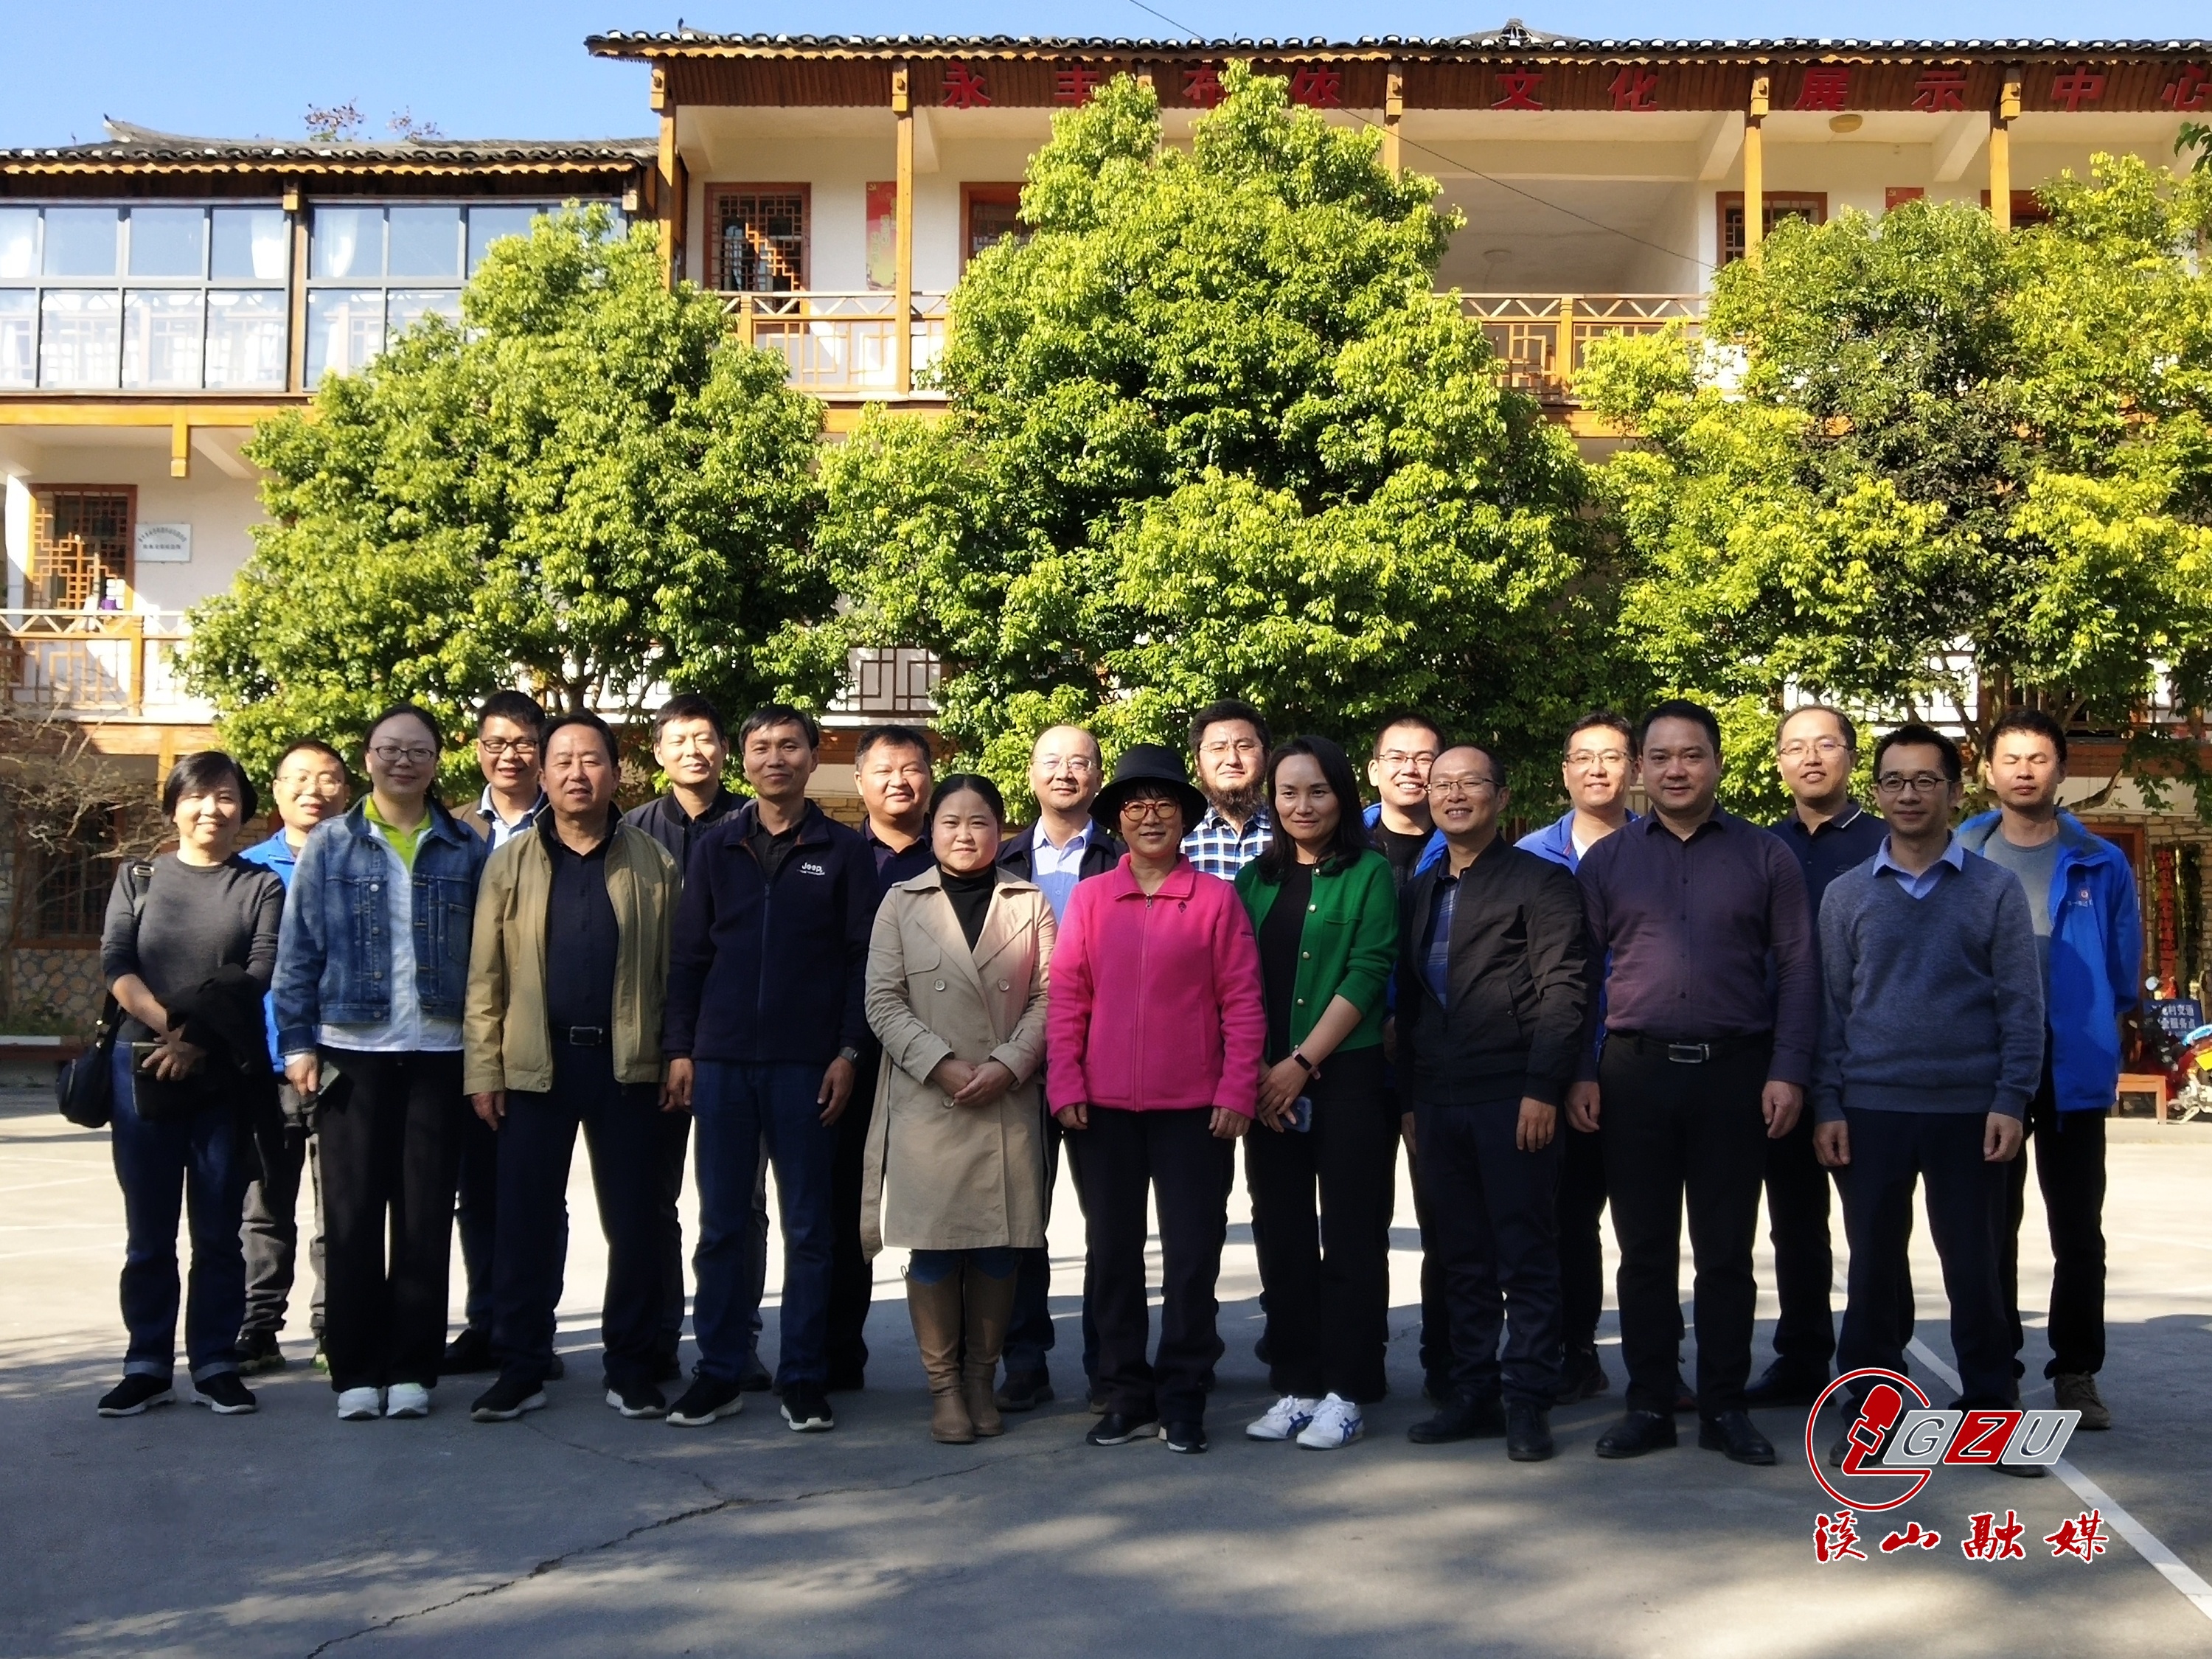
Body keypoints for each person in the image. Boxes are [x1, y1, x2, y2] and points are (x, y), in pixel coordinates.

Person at [1571, 700, 1815, 1467]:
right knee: (1643, 1250)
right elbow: (1580, 977)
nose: (1676, 770)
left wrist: (1788, 1069)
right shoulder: (1607, 861)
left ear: (1717, 763)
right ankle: (1648, 1401)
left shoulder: (1766, 856)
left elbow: (1799, 970)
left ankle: (1724, 1407)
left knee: (1726, 1253)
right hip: (1633, 1073)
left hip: (1735, 1074)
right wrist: (1581, 1071)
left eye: (1692, 755)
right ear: (1640, 769)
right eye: (1661, 757)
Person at [1813, 724, 2042, 1463]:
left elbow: (2021, 1005)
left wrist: (2011, 1099)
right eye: (1894, 781)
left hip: (1969, 1112)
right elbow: (1830, 1011)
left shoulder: (1994, 890)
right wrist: (1829, 1104)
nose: (1908, 794)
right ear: (1877, 791)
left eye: (1924, 781)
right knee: (1873, 1270)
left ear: (1954, 791)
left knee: (1975, 1269)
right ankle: (1872, 1410)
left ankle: (1993, 1412)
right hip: (1872, 1109)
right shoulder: (1847, 895)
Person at [462, 713, 684, 1423]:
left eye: (591, 760)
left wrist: (677, 1053)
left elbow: (678, 971)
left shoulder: (654, 862)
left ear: (616, 773)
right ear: (543, 774)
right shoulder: (511, 862)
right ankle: (522, 1366)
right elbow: (485, 978)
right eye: (562, 761)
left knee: (636, 1223)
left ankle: (632, 1366)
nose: (576, 773)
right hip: (536, 1066)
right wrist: (483, 1069)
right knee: (524, 1223)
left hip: (628, 1067)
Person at [660, 706, 875, 1433]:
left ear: (814, 757)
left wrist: (848, 1052)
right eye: (761, 748)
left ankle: (804, 1376)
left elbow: (862, 962)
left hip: (807, 1066)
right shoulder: (716, 847)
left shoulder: (844, 852)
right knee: (723, 1225)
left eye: (789, 746)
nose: (774, 758)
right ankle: (719, 1371)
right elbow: (689, 957)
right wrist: (681, 1049)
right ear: (742, 760)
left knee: (810, 1228)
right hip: (721, 1063)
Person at [275, 704, 491, 1421]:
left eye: (418, 750)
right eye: (389, 749)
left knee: (425, 1217)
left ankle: (412, 1370)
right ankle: (356, 1371)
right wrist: (298, 1042)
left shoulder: (465, 846)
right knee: (352, 1216)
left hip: (440, 1053)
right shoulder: (331, 844)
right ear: (367, 759)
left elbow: (487, 957)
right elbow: (298, 950)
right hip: (351, 1050)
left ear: (436, 762)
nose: (403, 761)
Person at [1050, 744, 1265, 1455]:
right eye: (1135, 805)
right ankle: (1125, 1395)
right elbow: (1068, 1000)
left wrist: (1236, 1087)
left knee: (1193, 1256)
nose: (1149, 816)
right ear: (1118, 818)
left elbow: (1243, 1003)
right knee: (1112, 1256)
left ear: (1183, 817)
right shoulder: (1091, 899)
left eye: (1164, 804)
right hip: (1103, 1111)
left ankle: (1183, 1394)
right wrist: (1065, 1082)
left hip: (1194, 1112)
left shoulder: (1215, 900)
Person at [1399, 745, 1590, 1461]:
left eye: (1470, 783)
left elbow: (1564, 990)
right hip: (1438, 1100)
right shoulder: (1421, 888)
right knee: (1460, 1257)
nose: (1454, 795)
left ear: (1502, 797)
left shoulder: (1541, 882)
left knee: (1526, 1255)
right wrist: (1411, 1098)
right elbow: (1412, 1003)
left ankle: (1528, 1400)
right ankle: (1473, 1392)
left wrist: (1543, 1088)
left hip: (1513, 1096)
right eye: (1441, 784)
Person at [1958, 707, 2142, 1431]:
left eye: (2039, 759)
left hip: (2071, 1067)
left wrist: (2092, 1027)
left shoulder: (2100, 860)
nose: (2025, 771)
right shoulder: (1962, 853)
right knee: (1988, 1226)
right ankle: (1994, 1370)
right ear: (1988, 770)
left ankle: (2076, 1370)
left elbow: (2122, 971)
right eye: (2011, 759)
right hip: (1987, 1064)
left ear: (2062, 770)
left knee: (2078, 1230)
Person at [863, 774, 1057, 1442]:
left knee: (1001, 1250)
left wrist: (1009, 1063)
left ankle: (981, 1378)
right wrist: (940, 1062)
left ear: (1001, 830)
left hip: (1006, 1098)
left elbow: (1051, 996)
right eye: (950, 822)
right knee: (936, 1251)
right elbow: (882, 999)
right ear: (931, 830)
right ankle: (944, 1387)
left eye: (980, 822)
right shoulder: (900, 902)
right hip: (929, 1100)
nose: (965, 834)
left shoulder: (1028, 901)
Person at [94, 751, 285, 1419]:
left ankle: (215, 1362)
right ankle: (146, 1364)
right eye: (198, 796)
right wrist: (170, 1030)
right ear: (174, 805)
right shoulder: (138, 876)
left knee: (218, 1230)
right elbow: (117, 961)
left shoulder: (261, 885)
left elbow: (258, 970)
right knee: (148, 1231)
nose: (211, 809)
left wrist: (198, 1040)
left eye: (226, 796)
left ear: (243, 808)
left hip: (222, 1071)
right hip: (140, 1065)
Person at [1235, 737, 1400, 1450]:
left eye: (1318, 791)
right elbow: (1235, 980)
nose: (1302, 806)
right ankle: (1297, 1384)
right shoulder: (1254, 878)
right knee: (1283, 1236)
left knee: (1353, 1235)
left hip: (1345, 1081)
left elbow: (1368, 971)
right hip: (1266, 1085)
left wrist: (1300, 1062)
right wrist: (1259, 1070)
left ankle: (1348, 1389)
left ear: (1342, 796)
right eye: (1289, 792)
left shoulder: (1371, 873)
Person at [622, 693, 771, 1392]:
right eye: (678, 740)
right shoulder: (632, 832)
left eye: (705, 738)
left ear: (724, 750)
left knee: (739, 1203)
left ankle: (738, 1339)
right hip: (653, 1042)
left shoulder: (754, 825)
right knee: (651, 1200)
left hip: (735, 1044)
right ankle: (657, 1338)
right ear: (658, 752)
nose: (693, 751)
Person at [1753, 705, 1891, 1408]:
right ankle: (1801, 1357)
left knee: (1873, 1227)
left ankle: (1873, 1374)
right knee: (1794, 1224)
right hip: (1779, 1062)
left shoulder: (1886, 842)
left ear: (1851, 757)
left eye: (1826, 745)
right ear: (1779, 762)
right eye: (1795, 747)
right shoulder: (1759, 847)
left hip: (1864, 1065)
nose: (1811, 758)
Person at [1517, 711, 1653, 1409]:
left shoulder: (1657, 850)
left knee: (1645, 1226)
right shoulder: (1530, 855)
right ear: (1564, 771)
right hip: (1551, 1067)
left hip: (1637, 1063)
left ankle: (1657, 1367)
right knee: (1565, 1221)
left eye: (1612, 757)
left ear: (1634, 770)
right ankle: (1573, 1352)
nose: (1597, 769)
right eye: (1583, 757)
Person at [995, 725, 1122, 1412]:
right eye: (1052, 761)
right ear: (1031, 774)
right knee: (1021, 1221)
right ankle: (1025, 1361)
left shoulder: (1123, 856)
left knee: (1109, 1221)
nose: (1066, 772)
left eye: (1080, 762)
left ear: (1098, 776)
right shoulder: (1002, 857)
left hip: (1104, 1062)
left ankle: (1110, 1363)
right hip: (1020, 1061)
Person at [828, 724, 939, 1392]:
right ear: (859, 781)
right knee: (845, 1209)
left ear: (930, 776)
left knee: (943, 1210)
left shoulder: (954, 851)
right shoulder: (841, 856)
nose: (900, 781)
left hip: (938, 1059)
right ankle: (838, 1352)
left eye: (912, 768)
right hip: (852, 1058)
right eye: (884, 770)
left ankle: (957, 1363)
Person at [235, 739, 350, 1376]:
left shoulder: (363, 863)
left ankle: (335, 1327)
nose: (314, 790)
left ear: (346, 791)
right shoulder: (248, 871)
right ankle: (258, 1328)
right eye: (299, 778)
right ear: (277, 791)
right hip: (265, 1065)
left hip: (342, 1061)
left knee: (340, 1207)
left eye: (328, 778)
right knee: (263, 1205)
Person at [448, 689, 553, 1378]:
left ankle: (535, 1330)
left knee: (542, 1195)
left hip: (548, 1030)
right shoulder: (455, 830)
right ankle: (486, 1320)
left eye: (522, 744)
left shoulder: (568, 821)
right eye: (496, 744)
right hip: (475, 1033)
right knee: (479, 1191)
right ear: (478, 750)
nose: (509, 755)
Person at [1360, 714, 1450, 1401]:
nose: (1411, 770)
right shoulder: (1342, 841)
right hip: (1355, 1055)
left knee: (1446, 1219)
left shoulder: (1465, 845)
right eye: (1397, 757)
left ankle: (1447, 1363)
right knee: (1359, 1219)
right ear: (1373, 770)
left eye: (1425, 758)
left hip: (1439, 1060)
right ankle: (1358, 1360)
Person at [1181, 698, 1273, 878]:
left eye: (1244, 747)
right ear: (1197, 764)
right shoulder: (1178, 836)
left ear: (1267, 757)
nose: (1232, 760)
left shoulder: (1290, 830)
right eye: (1218, 748)